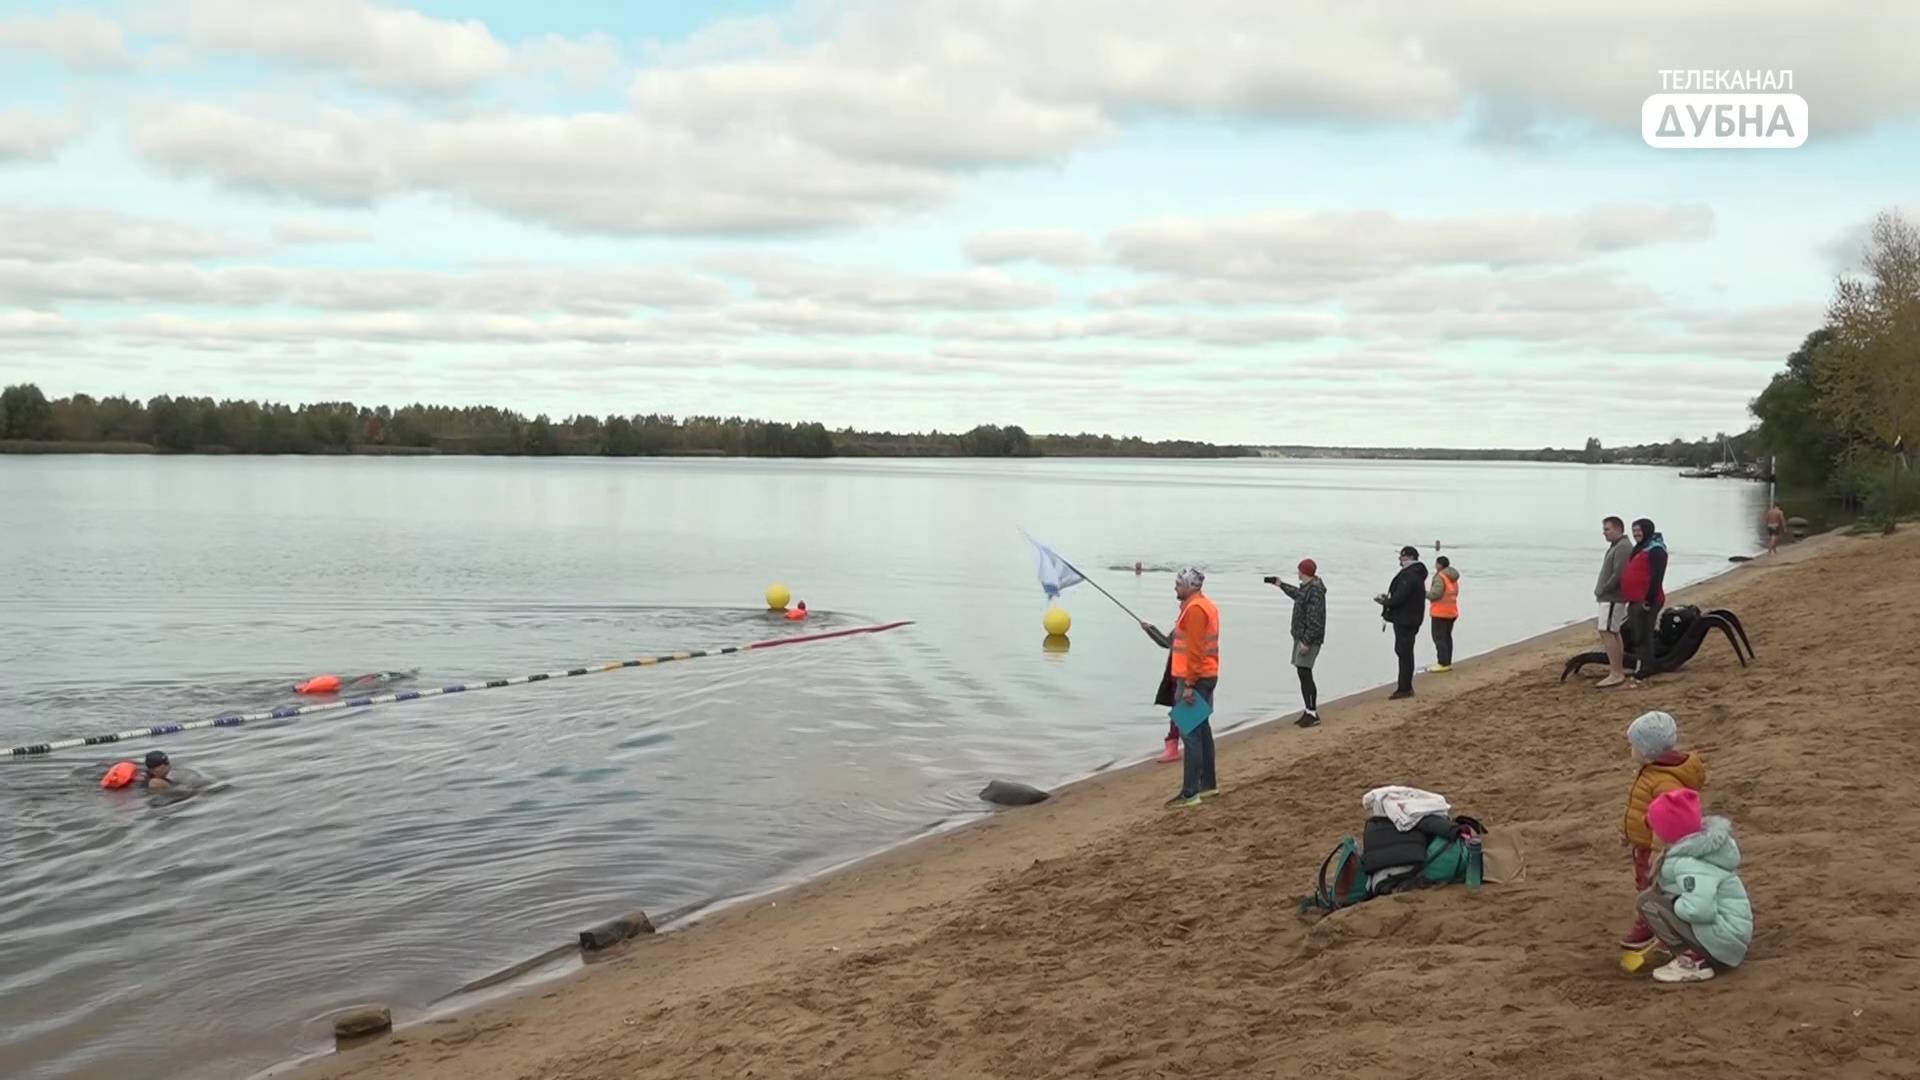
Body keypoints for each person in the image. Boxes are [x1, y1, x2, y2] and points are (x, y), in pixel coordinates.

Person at [1636, 789, 1753, 984]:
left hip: (1724, 941)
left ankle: (1692, 961)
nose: (1651, 834)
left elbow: (1700, 909)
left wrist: (1675, 907)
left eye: (1654, 829)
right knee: (1656, 899)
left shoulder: (1689, 863)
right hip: (1729, 937)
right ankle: (1689, 950)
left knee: (1648, 902)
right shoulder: (1696, 855)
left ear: (1668, 833)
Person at [1618, 710, 1707, 952]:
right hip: (1646, 843)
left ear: (1647, 753)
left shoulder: (1663, 781)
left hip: (1656, 848)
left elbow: (1670, 819)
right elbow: (1638, 809)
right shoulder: (1655, 773)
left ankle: (1653, 925)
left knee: (1653, 887)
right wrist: (1628, 832)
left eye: (1633, 746)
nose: (1631, 750)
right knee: (1651, 884)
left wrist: (1658, 845)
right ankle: (1662, 923)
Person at [1139, 567, 1219, 807]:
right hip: (1205, 675)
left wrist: (1189, 685)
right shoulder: (1201, 606)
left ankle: (1190, 792)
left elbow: (1195, 650)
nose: (1175, 587)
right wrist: (1150, 630)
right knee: (1202, 730)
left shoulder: (1195, 610)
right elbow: (1172, 641)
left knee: (1190, 733)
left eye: (1178, 583)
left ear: (1190, 586)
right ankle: (1208, 786)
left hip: (1195, 678)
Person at [1272, 559, 1326, 728]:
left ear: (1305, 572)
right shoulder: (1307, 588)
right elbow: (1297, 594)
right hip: (1301, 637)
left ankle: (1312, 712)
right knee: (1303, 673)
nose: (1298, 573)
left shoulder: (1315, 591)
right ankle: (1308, 710)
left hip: (1308, 639)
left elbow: (1315, 619)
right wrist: (1281, 585)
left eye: (1299, 570)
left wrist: (1307, 641)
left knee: (1305, 673)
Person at [1374, 545, 1427, 700]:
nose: (1399, 559)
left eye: (1401, 557)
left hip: (1406, 619)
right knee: (1404, 652)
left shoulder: (1409, 575)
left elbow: (1401, 597)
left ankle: (1405, 688)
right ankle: (1405, 686)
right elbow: (1404, 595)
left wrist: (1385, 602)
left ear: (1408, 557)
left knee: (1404, 652)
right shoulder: (1416, 573)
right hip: (1411, 617)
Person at [1620, 518, 1669, 685]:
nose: (1635, 534)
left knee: (1643, 634)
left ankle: (1646, 667)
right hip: (1635, 599)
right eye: (1634, 531)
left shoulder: (1656, 550)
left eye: (1639, 531)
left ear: (1647, 530)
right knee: (1636, 633)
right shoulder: (1640, 547)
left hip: (1648, 600)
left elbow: (1657, 577)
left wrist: (1648, 600)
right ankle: (1642, 663)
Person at [1594, 516, 1634, 688]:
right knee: (1612, 631)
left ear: (1618, 529)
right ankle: (1617, 669)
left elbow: (1619, 573)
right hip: (1610, 598)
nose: (1604, 533)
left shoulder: (1623, 547)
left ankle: (1616, 672)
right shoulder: (1617, 546)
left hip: (1612, 598)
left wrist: (1604, 589)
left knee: (1607, 631)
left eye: (1607, 529)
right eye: (1604, 529)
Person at [1426, 555, 1460, 672]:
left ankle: (1443, 663)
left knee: (1439, 638)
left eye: (1436, 564)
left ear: (1439, 565)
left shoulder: (1440, 577)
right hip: (1452, 611)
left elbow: (1436, 594)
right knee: (1447, 637)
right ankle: (1447, 661)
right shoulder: (1453, 577)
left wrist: (1424, 593)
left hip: (1440, 612)